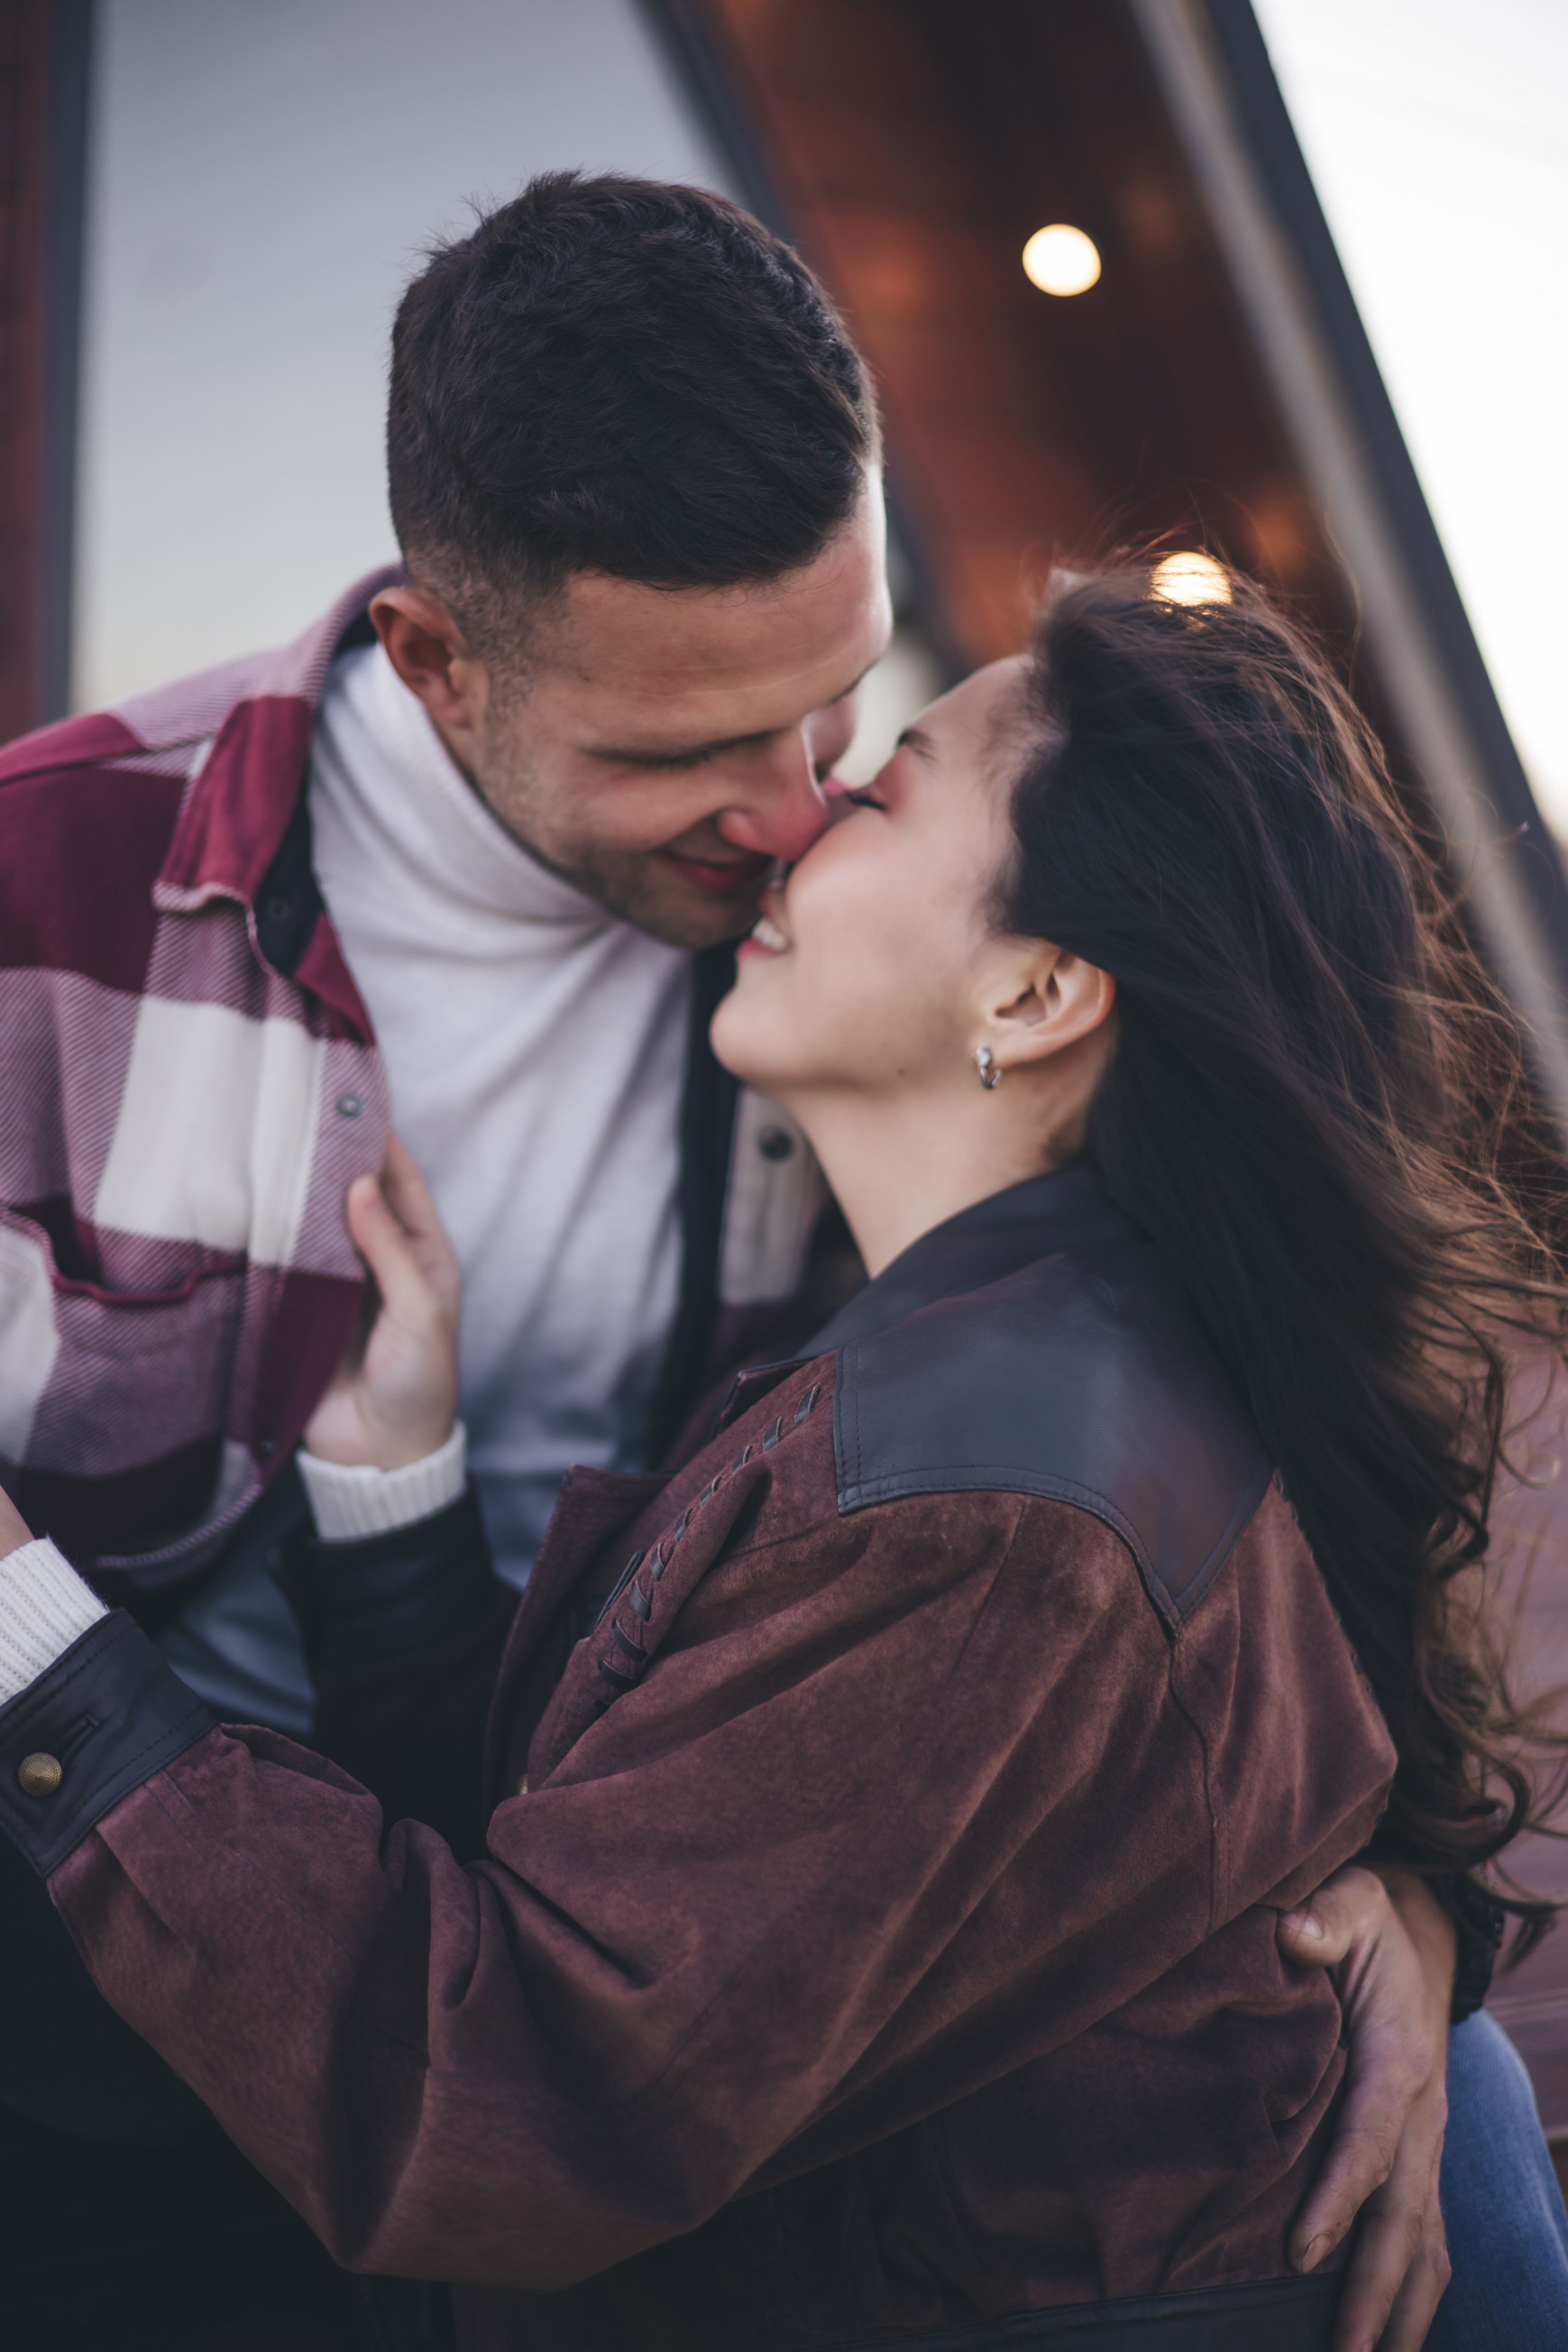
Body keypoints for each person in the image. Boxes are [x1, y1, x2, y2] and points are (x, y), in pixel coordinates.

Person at [1, 564, 1562, 2348]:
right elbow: (635, 1865)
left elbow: (514, 2086)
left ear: (1040, 989)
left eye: (881, 790)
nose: (797, 819)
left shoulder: (991, 1501)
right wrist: (394, 1486)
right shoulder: (1024, 1355)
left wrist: (32, 1636)